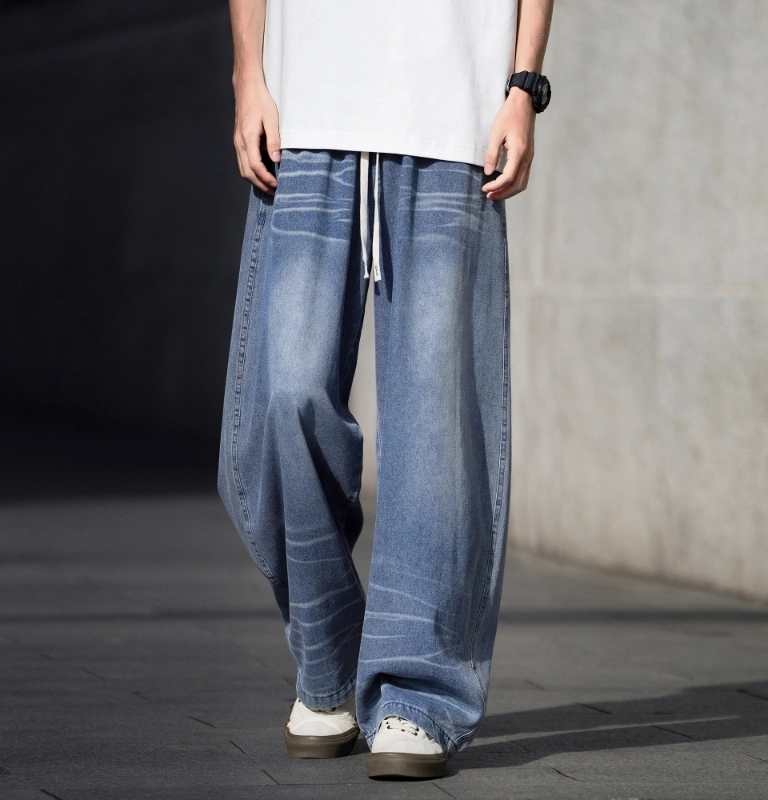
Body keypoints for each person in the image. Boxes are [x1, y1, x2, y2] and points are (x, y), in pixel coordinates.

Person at [218, 0, 553, 780]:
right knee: (283, 397)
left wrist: (522, 87)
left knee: (435, 427)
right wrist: (247, 75)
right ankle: (327, 651)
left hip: (451, 121)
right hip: (305, 116)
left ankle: (418, 692)